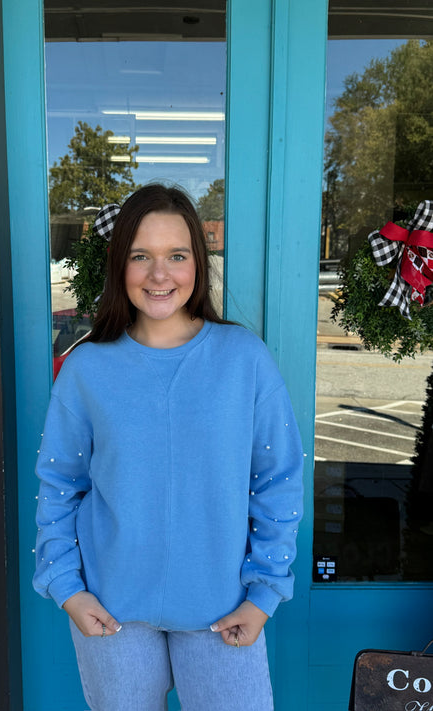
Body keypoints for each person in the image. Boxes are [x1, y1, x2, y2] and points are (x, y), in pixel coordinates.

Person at [33, 183, 304, 711]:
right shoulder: (87, 367)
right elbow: (60, 483)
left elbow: (278, 479)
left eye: (176, 256)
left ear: (198, 265)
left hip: (224, 610)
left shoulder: (243, 359)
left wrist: (265, 593)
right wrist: (67, 587)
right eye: (141, 257)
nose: (160, 275)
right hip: (112, 612)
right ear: (121, 266)